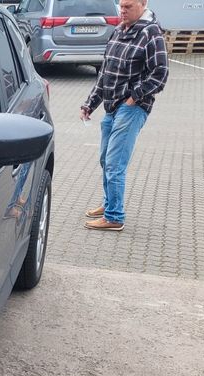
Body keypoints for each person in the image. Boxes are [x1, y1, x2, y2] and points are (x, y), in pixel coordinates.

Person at [79, 0, 168, 232]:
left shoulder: (151, 33)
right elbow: (105, 74)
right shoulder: (119, 30)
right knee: (105, 160)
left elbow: (160, 74)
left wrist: (133, 98)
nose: (123, 11)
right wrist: (90, 104)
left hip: (131, 108)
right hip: (111, 107)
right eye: (121, 6)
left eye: (128, 6)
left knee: (115, 163)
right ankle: (109, 203)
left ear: (143, 3)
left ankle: (114, 216)